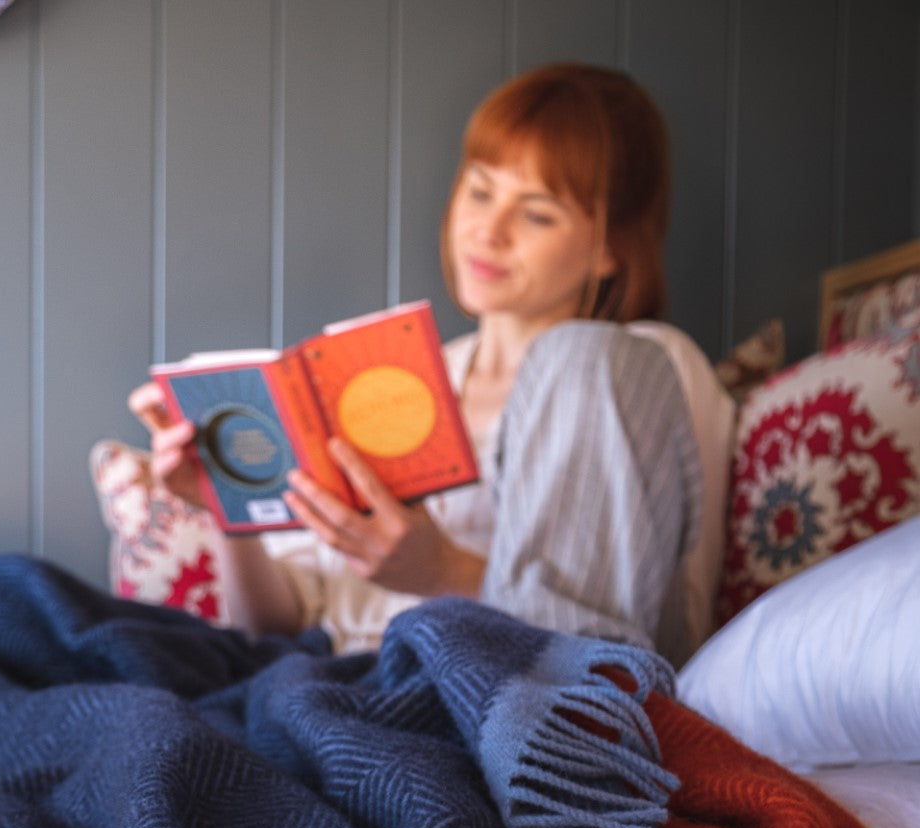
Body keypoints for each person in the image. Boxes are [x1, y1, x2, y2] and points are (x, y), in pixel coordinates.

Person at [129, 63, 735, 663]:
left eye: (536, 212)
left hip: (494, 692)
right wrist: (224, 506)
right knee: (42, 602)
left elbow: (664, 613)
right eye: (479, 190)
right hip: (335, 683)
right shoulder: (405, 378)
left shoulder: (645, 367)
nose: (488, 231)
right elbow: (273, 628)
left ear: (609, 250)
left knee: (582, 355)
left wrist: (444, 571)